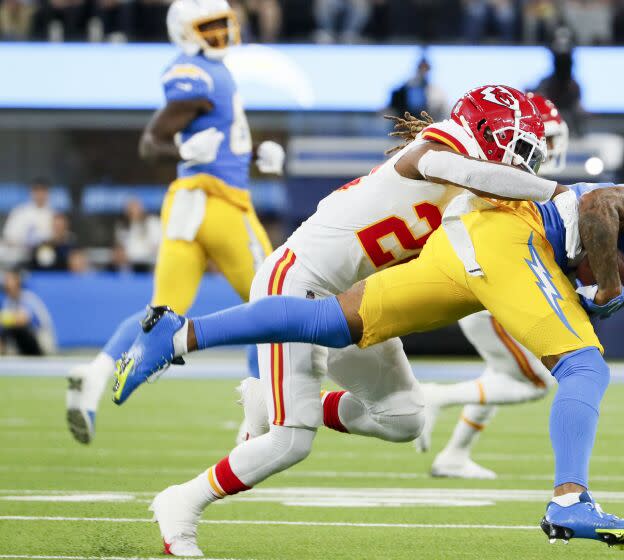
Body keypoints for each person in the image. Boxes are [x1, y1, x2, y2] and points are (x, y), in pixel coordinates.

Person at [111, 84, 583, 556]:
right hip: (297, 281)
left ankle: (276, 400)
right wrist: (559, 192)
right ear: (483, 132)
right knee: (290, 441)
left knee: (404, 419)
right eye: (518, 148)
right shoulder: (439, 148)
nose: (524, 164)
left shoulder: (478, 199)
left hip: (356, 301)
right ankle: (183, 504)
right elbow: (459, 170)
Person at [64, 0, 285, 445]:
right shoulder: (195, 74)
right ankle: (256, 420)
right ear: (186, 31)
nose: (221, 32)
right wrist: (183, 152)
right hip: (220, 204)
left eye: (223, 23)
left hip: (188, 204)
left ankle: (94, 375)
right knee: (274, 304)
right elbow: (152, 142)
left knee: (161, 312)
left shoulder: (207, 71)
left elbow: (214, 135)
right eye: (210, 26)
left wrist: (252, 154)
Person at [417, 92, 570, 479]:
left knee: (499, 374)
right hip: (491, 294)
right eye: (543, 138)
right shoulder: (503, 180)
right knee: (537, 382)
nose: (546, 148)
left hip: (486, 290)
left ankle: (454, 454)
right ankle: (434, 396)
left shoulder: (506, 178)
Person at [0, 269, 54, 356]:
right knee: (6, 330)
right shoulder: (7, 301)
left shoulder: (29, 298)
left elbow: (22, 319)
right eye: (6, 281)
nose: (8, 284)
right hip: (21, 343)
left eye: (10, 281)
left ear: (18, 283)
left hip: (41, 339)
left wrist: (4, 318)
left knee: (18, 328)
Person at [387, 57, 448, 121]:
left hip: (427, 122)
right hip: (407, 121)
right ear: (418, 69)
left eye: (426, 69)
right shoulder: (407, 87)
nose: (423, 71)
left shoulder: (436, 92)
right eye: (421, 68)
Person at [2, 179, 54, 251]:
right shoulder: (20, 211)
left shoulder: (54, 214)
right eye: (37, 191)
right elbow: (8, 236)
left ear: (48, 193)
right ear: (31, 192)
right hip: (20, 254)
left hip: (45, 254)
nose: (40, 194)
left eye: (43, 191)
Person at [114, 198, 161, 272]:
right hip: (130, 265)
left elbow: (158, 245)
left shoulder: (152, 222)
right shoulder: (123, 226)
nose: (133, 210)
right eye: (130, 208)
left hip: (150, 264)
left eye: (135, 207)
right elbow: (120, 249)